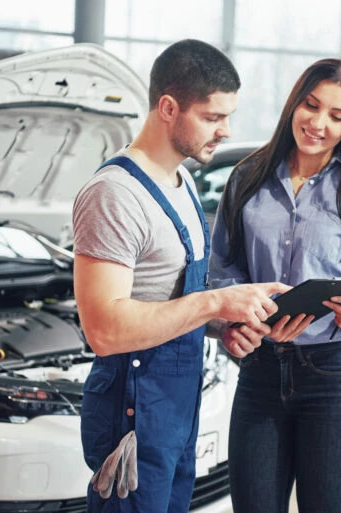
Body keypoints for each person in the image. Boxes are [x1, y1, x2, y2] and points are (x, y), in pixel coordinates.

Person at [73, 39, 288, 513]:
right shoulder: (115, 194)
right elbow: (104, 330)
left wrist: (224, 324)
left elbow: (166, 296)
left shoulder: (182, 181)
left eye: (228, 117)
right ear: (168, 108)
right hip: (132, 411)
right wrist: (215, 302)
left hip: (176, 409)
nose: (225, 131)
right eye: (212, 117)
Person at [209, 58, 341, 513]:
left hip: (335, 378)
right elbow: (223, 269)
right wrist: (233, 323)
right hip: (259, 373)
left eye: (337, 116)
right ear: (295, 103)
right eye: (311, 106)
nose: (318, 124)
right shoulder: (247, 178)